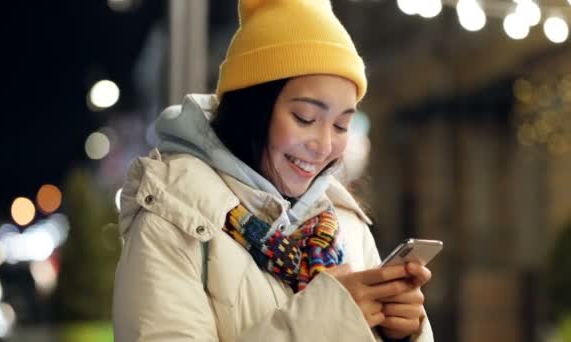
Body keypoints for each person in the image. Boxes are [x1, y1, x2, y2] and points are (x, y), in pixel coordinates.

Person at [112, 0, 434, 341]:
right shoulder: (174, 218)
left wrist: (401, 332)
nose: (324, 146)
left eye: (341, 125)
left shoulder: (347, 227)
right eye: (305, 118)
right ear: (253, 109)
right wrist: (326, 320)